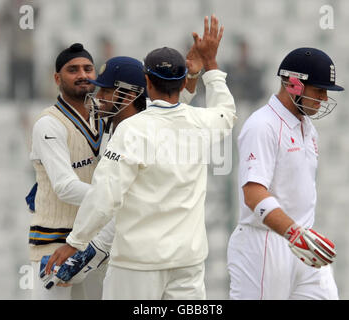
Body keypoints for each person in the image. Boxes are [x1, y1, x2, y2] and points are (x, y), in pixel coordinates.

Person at [45, 15, 236, 300]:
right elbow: (222, 112)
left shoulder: (132, 131)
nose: (98, 95)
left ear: (144, 83)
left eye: (106, 90)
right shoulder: (201, 122)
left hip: (138, 264)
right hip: (188, 263)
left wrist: (75, 242)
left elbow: (106, 195)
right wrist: (209, 66)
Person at [32, 48, 204, 293]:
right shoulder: (108, 122)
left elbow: (124, 202)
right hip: (79, 241)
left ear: (127, 96)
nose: (96, 94)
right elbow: (74, 189)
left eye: (104, 90)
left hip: (128, 249)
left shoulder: (138, 128)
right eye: (73, 70)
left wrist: (90, 251)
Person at [227, 47, 344, 300]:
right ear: (294, 85)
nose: (324, 98)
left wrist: (301, 237)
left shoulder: (308, 128)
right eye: (319, 90)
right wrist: (294, 233)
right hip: (263, 246)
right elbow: (253, 193)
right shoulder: (262, 125)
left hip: (303, 245)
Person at [28, 42, 111, 300]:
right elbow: (65, 187)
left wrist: (188, 83)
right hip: (55, 242)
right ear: (57, 78)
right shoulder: (49, 124)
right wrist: (118, 201)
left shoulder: (107, 114)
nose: (83, 75)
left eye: (88, 68)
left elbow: (154, 117)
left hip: (97, 241)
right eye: (73, 70)